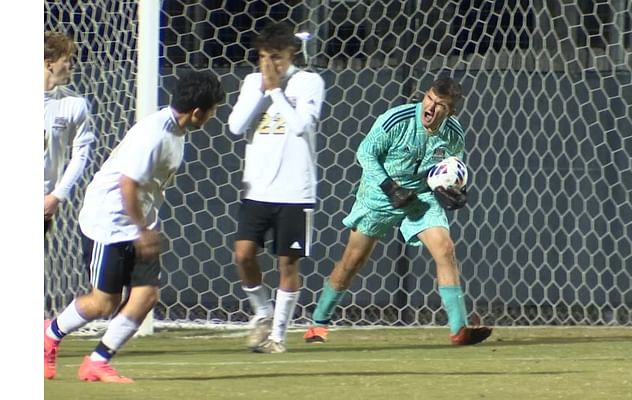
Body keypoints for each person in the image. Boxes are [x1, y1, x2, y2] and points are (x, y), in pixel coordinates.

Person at [43, 71, 224, 382]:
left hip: (139, 224)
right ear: (197, 112)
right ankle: (48, 334)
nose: (213, 115)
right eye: (213, 110)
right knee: (104, 302)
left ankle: (97, 362)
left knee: (146, 296)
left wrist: (145, 226)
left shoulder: (176, 131)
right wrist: (143, 230)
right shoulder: (153, 134)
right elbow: (127, 184)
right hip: (109, 222)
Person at [303, 77, 492, 346]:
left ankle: (459, 330)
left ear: (451, 111)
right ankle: (318, 324)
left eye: (440, 105)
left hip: (420, 199)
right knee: (352, 262)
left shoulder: (454, 133)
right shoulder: (397, 119)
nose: (431, 107)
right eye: (429, 99)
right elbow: (365, 153)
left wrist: (453, 191)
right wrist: (390, 187)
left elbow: (448, 170)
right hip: (379, 196)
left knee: (445, 249)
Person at [228, 21, 325, 354]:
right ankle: (263, 313)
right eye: (264, 57)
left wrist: (274, 92)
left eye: (277, 57)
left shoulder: (309, 82)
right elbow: (236, 126)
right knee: (243, 255)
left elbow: (301, 126)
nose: (270, 64)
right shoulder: (252, 82)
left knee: (288, 264)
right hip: (257, 190)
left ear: (291, 53)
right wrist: (263, 89)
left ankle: (278, 337)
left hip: (295, 191)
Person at [44, 31, 95, 235]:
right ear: (50, 63)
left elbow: (81, 154)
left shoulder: (75, 104)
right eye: (66, 60)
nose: (71, 66)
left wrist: (57, 196)